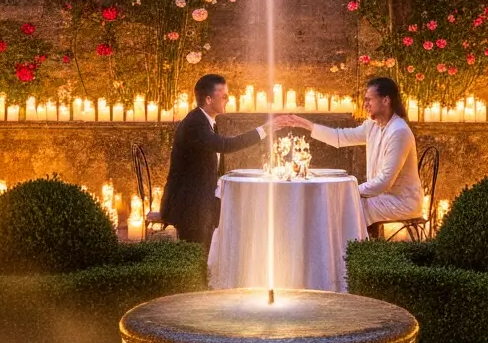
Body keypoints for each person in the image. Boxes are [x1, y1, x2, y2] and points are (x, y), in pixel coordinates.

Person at [284, 74, 424, 234]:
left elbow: (385, 182)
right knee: (344, 205)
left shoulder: (399, 131)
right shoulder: (373, 126)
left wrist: (349, 190)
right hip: (380, 197)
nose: (365, 105)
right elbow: (340, 137)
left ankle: (351, 253)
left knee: (349, 208)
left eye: (369, 100)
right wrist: (307, 125)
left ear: (386, 100)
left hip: (402, 202)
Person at [156, 72, 263, 251]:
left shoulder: (208, 121)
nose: (227, 100)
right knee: (197, 255)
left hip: (203, 200)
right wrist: (263, 131)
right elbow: (225, 145)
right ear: (208, 99)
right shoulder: (195, 123)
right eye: (224, 96)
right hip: (191, 204)